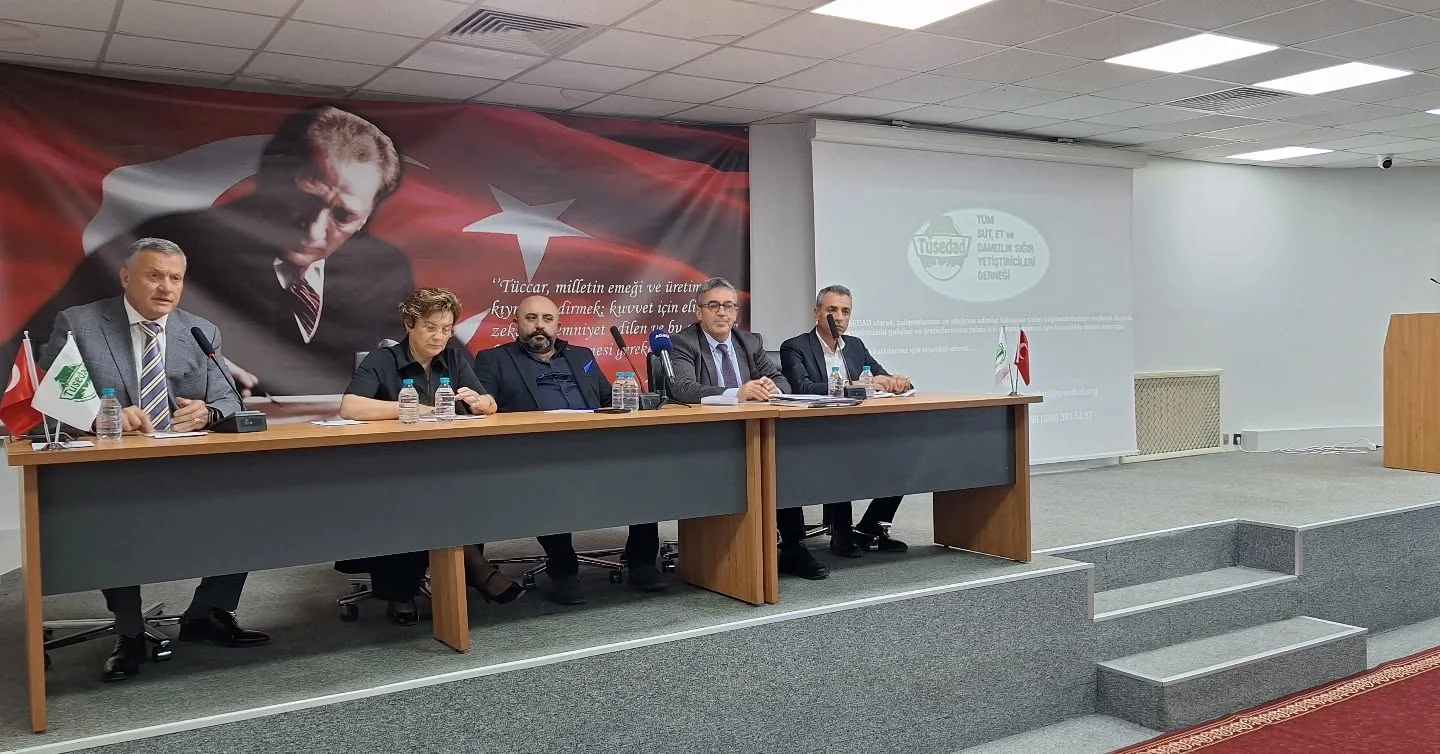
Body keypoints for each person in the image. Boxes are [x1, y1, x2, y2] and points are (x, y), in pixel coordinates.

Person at [14, 104, 415, 398]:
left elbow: (415, 361)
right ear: (269, 178)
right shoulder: (168, 246)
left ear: (367, 216)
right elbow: (39, 357)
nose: (314, 230)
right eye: (304, 200)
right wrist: (176, 372)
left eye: (344, 215)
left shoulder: (385, 271)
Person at [38, 238, 269, 682]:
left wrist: (208, 411)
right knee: (118, 522)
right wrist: (99, 414)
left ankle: (208, 613)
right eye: (154, 276)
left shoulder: (199, 330)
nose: (166, 287)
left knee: (248, 505)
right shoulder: (80, 324)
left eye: (175, 278)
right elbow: (46, 401)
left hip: (188, 463)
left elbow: (229, 397)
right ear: (126, 277)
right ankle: (129, 633)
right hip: (111, 469)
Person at [337, 287, 523, 623]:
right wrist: (414, 408)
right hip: (392, 466)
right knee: (420, 496)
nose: (439, 337)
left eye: (446, 329)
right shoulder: (383, 360)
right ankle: (448, 578)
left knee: (453, 490)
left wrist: (482, 404)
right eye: (430, 327)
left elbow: (487, 403)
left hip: (447, 463)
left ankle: (456, 575)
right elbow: (350, 407)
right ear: (409, 324)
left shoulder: (453, 359)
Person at [474, 295, 667, 604]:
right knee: (549, 480)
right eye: (531, 318)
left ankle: (642, 563)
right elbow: (484, 411)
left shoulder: (581, 355)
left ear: (558, 325)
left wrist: (629, 398)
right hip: (534, 453)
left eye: (547, 319)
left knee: (643, 473)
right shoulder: (493, 359)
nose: (540, 326)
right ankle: (563, 570)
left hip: (595, 446)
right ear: (515, 324)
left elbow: (608, 400)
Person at [668, 277, 829, 581]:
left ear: (736, 313)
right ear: (699, 311)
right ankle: (727, 552)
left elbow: (782, 381)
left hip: (751, 433)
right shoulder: (683, 342)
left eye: (729, 306)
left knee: (781, 463)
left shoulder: (749, 342)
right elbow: (683, 388)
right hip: (703, 437)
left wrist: (771, 386)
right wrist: (736, 393)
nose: (722, 312)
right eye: (713, 305)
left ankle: (793, 547)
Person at [780, 285, 914, 557]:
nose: (839, 317)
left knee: (904, 454)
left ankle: (868, 529)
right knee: (839, 455)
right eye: (832, 310)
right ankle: (841, 534)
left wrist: (896, 382)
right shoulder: (795, 347)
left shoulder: (854, 346)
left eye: (845, 311)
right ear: (817, 313)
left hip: (858, 428)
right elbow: (802, 387)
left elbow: (879, 376)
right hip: (814, 432)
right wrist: (851, 386)